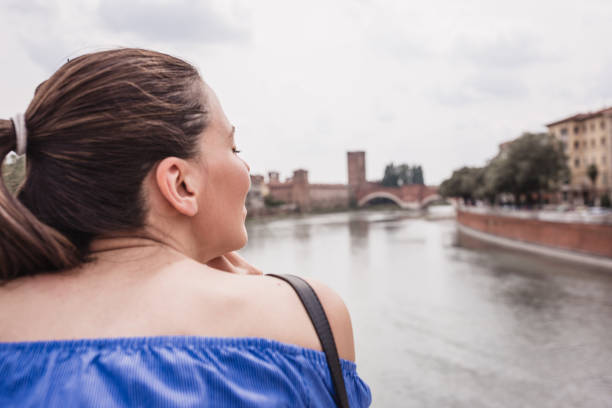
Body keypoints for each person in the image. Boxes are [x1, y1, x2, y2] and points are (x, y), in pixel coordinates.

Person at [0, 48, 371, 407]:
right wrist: (278, 292)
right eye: (234, 148)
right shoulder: (307, 317)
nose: (245, 168)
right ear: (180, 183)